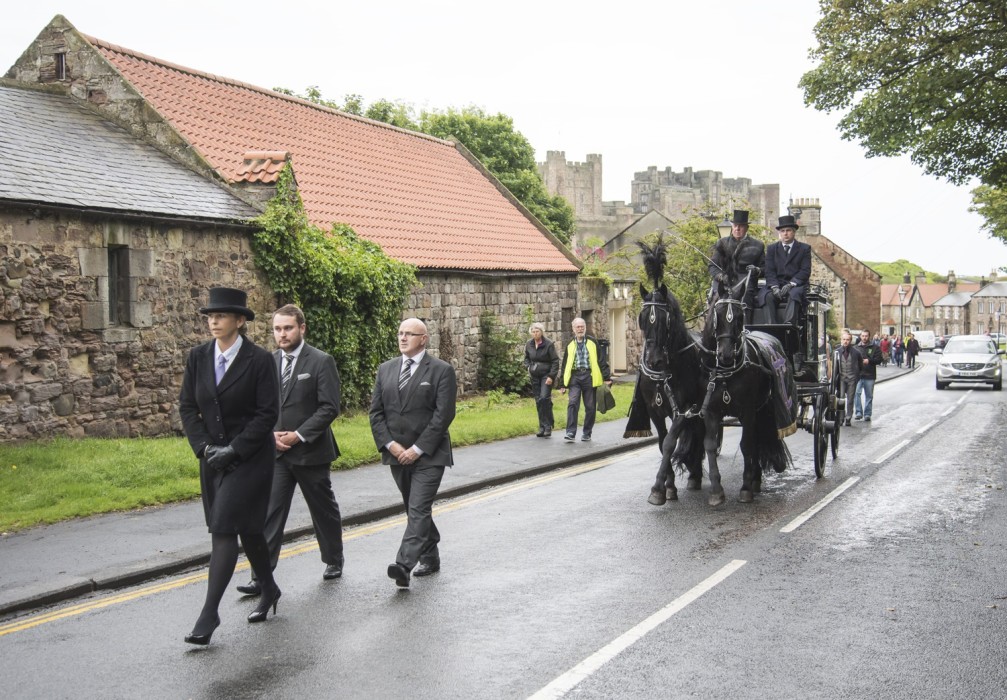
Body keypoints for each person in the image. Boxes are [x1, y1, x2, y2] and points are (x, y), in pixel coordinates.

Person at [178, 287, 281, 646]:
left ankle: (209, 614)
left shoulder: (259, 360)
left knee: (224, 528)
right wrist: (205, 448)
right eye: (210, 316)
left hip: (251, 459)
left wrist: (234, 449)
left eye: (220, 316)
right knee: (249, 530)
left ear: (239, 321)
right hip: (212, 459)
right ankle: (268, 588)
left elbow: (267, 414)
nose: (213, 321)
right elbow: (188, 407)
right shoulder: (198, 357)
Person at [235, 305, 344, 597]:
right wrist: (269, 437)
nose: (282, 334)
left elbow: (329, 407)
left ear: (302, 328)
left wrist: (298, 435)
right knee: (269, 514)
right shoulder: (267, 363)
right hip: (276, 454)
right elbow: (258, 407)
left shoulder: (321, 361)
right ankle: (261, 576)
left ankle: (334, 559)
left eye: (288, 328)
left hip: (311, 452)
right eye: (277, 329)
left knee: (323, 510)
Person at [370, 318, 457, 589]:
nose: (403, 337)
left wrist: (417, 449)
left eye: (410, 333)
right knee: (413, 508)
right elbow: (376, 413)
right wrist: (391, 445)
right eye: (400, 333)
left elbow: (443, 415)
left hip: (429, 455)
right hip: (397, 454)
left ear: (424, 338)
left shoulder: (442, 371)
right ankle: (431, 554)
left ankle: (403, 564)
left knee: (418, 507)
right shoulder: (386, 370)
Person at [558, 317, 612, 442]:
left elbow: (601, 360)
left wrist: (607, 377)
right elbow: (565, 364)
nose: (580, 329)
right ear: (573, 329)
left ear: (585, 328)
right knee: (572, 403)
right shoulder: (570, 344)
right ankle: (570, 432)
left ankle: (587, 432)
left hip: (589, 376)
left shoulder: (593, 342)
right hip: (574, 377)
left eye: (582, 326)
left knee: (590, 406)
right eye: (578, 327)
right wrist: (562, 384)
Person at [708, 209, 765, 322]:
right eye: (735, 225)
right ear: (732, 227)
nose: (737, 229)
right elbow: (712, 266)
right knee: (717, 299)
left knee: (746, 297)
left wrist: (756, 270)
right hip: (724, 282)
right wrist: (721, 276)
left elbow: (765, 269)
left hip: (745, 283)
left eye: (741, 226)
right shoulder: (722, 243)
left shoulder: (757, 245)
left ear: (746, 228)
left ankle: (745, 327)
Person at [757, 215, 812, 325]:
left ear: (794, 232)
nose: (785, 233)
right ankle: (771, 326)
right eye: (782, 231)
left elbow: (805, 271)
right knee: (766, 296)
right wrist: (774, 286)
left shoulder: (804, 248)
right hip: (777, 284)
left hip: (795, 285)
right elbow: (769, 270)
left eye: (788, 230)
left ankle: (788, 325)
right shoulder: (772, 249)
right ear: (779, 233)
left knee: (794, 295)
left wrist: (791, 284)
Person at [524, 322, 560, 437]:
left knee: (544, 398)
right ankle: (542, 426)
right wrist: (528, 367)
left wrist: (551, 376)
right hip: (534, 375)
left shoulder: (549, 344)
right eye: (533, 332)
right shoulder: (529, 344)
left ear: (541, 332)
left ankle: (548, 425)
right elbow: (526, 359)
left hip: (546, 374)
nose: (535, 334)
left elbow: (555, 361)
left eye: (537, 331)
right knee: (539, 400)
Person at [833, 330, 863, 427]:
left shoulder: (856, 352)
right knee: (841, 399)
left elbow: (860, 365)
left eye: (848, 340)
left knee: (850, 399)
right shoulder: (837, 352)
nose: (846, 341)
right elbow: (834, 366)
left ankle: (848, 418)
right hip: (841, 378)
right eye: (844, 339)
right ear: (841, 340)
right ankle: (841, 418)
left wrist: (856, 376)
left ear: (851, 341)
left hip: (852, 378)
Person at [854, 329, 883, 422]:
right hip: (858, 375)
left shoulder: (875, 347)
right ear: (860, 336)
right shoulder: (855, 348)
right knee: (856, 394)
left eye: (866, 336)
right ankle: (858, 412)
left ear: (869, 336)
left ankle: (867, 414)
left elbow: (879, 359)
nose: (864, 337)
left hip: (870, 375)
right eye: (863, 336)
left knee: (869, 396)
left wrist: (869, 361)